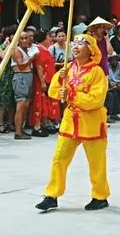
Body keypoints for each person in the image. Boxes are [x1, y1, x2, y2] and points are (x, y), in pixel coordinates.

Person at [35, 34, 110, 211]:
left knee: (96, 162)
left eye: (81, 43)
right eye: (74, 43)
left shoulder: (97, 72)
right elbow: (54, 92)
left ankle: (100, 196)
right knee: (59, 158)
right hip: (70, 122)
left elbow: (96, 100)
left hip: (91, 123)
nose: (76, 46)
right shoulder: (69, 68)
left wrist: (72, 95)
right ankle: (52, 194)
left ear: (90, 49)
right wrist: (59, 79)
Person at [28, 30, 58, 137]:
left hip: (48, 80)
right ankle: (36, 127)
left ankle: (44, 124)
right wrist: (42, 82)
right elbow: (39, 66)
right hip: (41, 81)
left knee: (45, 102)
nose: (51, 39)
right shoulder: (38, 50)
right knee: (39, 103)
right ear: (44, 38)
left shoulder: (44, 49)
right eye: (49, 36)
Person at [11, 31, 38, 139]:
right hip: (20, 76)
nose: (24, 40)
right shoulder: (17, 51)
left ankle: (21, 129)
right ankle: (18, 132)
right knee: (21, 105)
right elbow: (21, 66)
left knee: (26, 105)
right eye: (22, 38)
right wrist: (32, 58)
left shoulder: (27, 50)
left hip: (27, 76)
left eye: (26, 38)